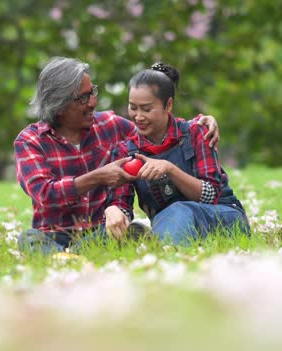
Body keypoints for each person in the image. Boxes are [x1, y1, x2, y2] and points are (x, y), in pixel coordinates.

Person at [13, 57, 220, 254]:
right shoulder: (30, 141)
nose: (93, 102)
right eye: (83, 98)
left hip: (104, 231)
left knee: (135, 232)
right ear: (59, 105)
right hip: (54, 235)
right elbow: (45, 194)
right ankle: (67, 255)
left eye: (92, 92)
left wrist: (199, 124)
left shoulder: (109, 125)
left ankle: (68, 257)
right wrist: (99, 177)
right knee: (30, 239)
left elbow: (155, 128)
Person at [104, 62, 250, 245]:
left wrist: (170, 169)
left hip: (221, 217)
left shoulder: (197, 133)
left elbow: (211, 195)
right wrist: (115, 210)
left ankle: (160, 249)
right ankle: (152, 242)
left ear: (168, 105)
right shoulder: (126, 151)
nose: (138, 116)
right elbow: (121, 201)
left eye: (147, 109)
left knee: (178, 210)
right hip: (171, 226)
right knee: (105, 233)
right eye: (133, 107)